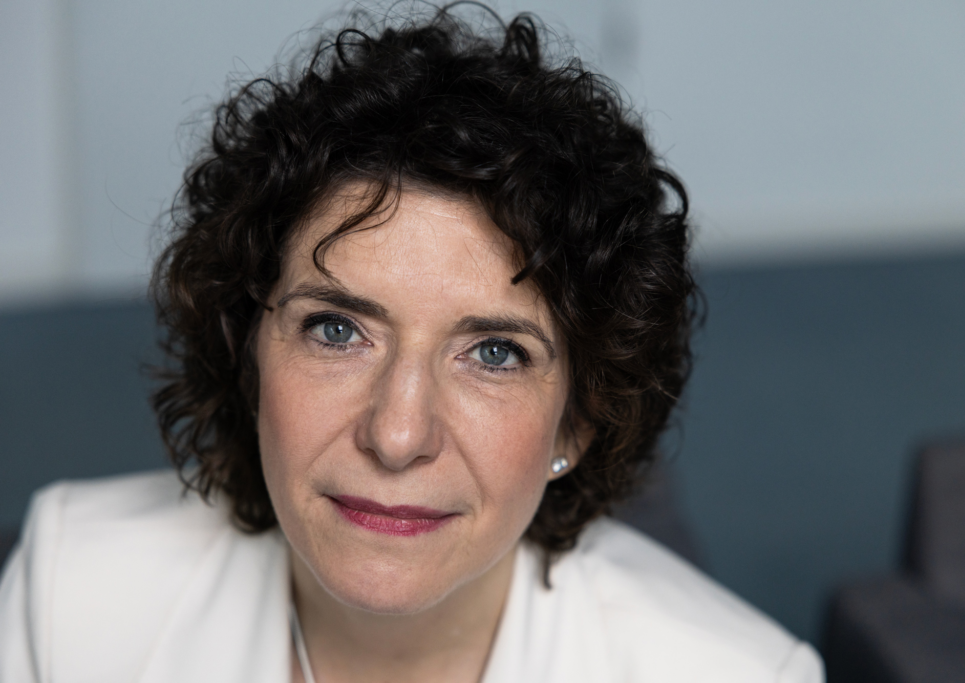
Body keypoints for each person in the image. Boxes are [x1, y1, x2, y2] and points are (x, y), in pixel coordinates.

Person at [0, 6, 823, 682]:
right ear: (248, 354)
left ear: (578, 420)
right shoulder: (73, 592)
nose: (396, 435)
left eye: (494, 352)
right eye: (337, 330)